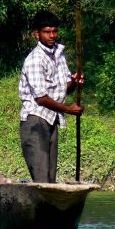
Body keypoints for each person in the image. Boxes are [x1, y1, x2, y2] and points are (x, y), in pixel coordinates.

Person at [18, 11, 84, 183]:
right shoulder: (34, 59)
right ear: (37, 34)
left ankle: (50, 208)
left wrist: (74, 82)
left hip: (52, 119)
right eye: (47, 32)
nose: (52, 35)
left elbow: (63, 88)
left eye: (55, 31)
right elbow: (41, 98)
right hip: (36, 121)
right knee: (42, 178)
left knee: (50, 177)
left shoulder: (59, 54)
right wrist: (68, 109)